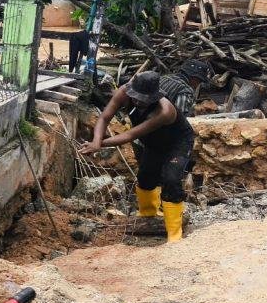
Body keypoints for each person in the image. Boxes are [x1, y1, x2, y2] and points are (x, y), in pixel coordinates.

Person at [79, 71, 195, 242]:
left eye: (144, 100)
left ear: (155, 97)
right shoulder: (124, 92)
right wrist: (95, 141)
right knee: (145, 177)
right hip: (153, 141)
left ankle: (174, 234)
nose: (138, 101)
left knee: (171, 179)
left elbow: (130, 135)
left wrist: (99, 144)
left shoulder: (165, 111)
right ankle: (148, 216)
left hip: (177, 143)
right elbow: (104, 117)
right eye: (136, 97)